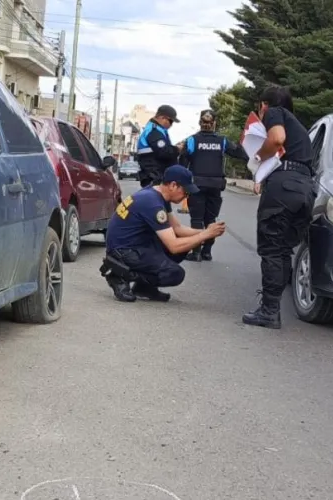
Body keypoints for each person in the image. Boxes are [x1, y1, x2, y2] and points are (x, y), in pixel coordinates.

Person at [242, 85, 316, 329]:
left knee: (271, 249)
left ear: (264, 105)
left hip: (284, 187)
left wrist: (257, 158)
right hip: (305, 189)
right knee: (284, 250)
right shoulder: (301, 129)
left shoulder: (275, 113)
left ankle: (269, 311)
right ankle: (273, 305)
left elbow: (276, 140)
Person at [100, 165, 226, 302]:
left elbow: (177, 228)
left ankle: (143, 288)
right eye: (185, 191)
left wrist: (207, 232)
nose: (186, 196)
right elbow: (174, 246)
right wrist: (204, 235)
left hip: (135, 244)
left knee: (186, 242)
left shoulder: (157, 195)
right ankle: (120, 275)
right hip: (124, 250)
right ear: (173, 185)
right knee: (175, 274)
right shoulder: (152, 202)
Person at [179, 109, 249, 262]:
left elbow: (182, 163)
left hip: (196, 185)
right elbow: (240, 153)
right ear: (214, 123)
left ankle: (196, 252)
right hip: (215, 186)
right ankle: (207, 252)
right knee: (210, 219)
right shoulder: (222, 141)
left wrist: (182, 184)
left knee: (197, 219)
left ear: (200, 123)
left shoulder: (192, 140)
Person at [135, 105, 181, 188]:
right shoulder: (154, 131)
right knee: (154, 200)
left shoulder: (158, 130)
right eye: (171, 121)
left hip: (156, 176)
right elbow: (164, 153)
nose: (171, 124)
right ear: (162, 118)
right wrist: (177, 149)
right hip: (154, 177)